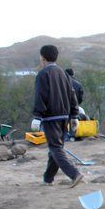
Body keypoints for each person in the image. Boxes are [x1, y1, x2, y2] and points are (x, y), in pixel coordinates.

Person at [31, 45, 83, 188]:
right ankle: (48, 179)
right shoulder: (63, 74)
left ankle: (74, 174)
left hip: (50, 118)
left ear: (42, 57)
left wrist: (37, 116)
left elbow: (40, 96)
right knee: (56, 148)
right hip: (64, 117)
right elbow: (72, 95)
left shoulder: (43, 74)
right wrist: (74, 116)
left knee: (55, 148)